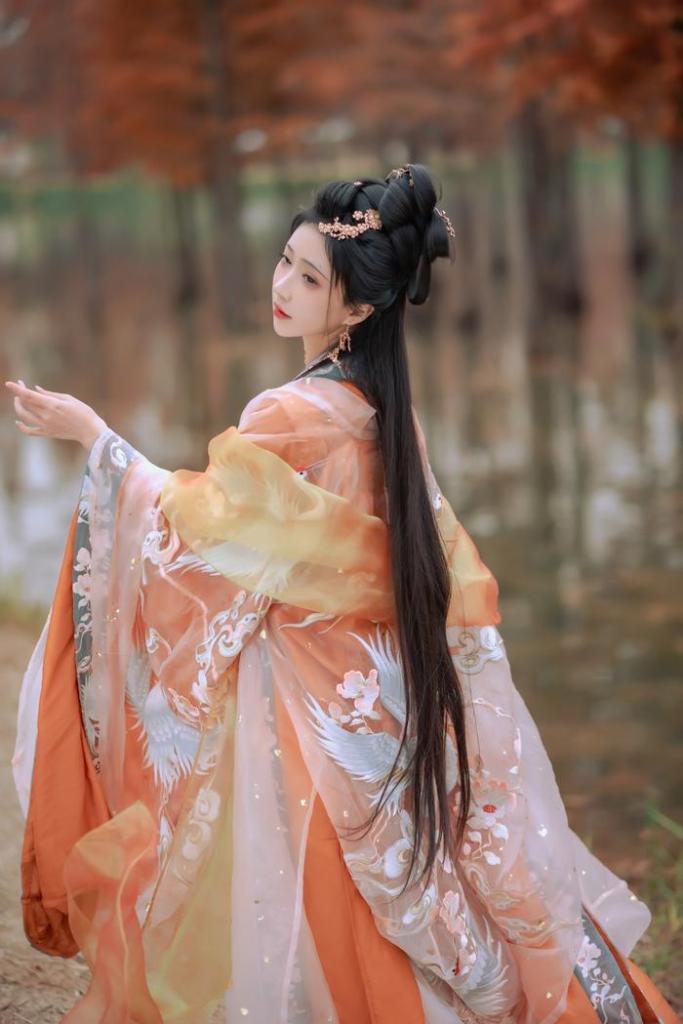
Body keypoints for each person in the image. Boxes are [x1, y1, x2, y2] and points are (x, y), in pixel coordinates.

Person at [6, 164, 680, 1024]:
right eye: (284, 261)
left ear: (358, 308)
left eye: (309, 277)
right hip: (385, 694)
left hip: (304, 702)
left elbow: (200, 531)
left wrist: (97, 441)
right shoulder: (382, 409)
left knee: (304, 902)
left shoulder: (289, 412)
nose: (281, 286)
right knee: (403, 892)